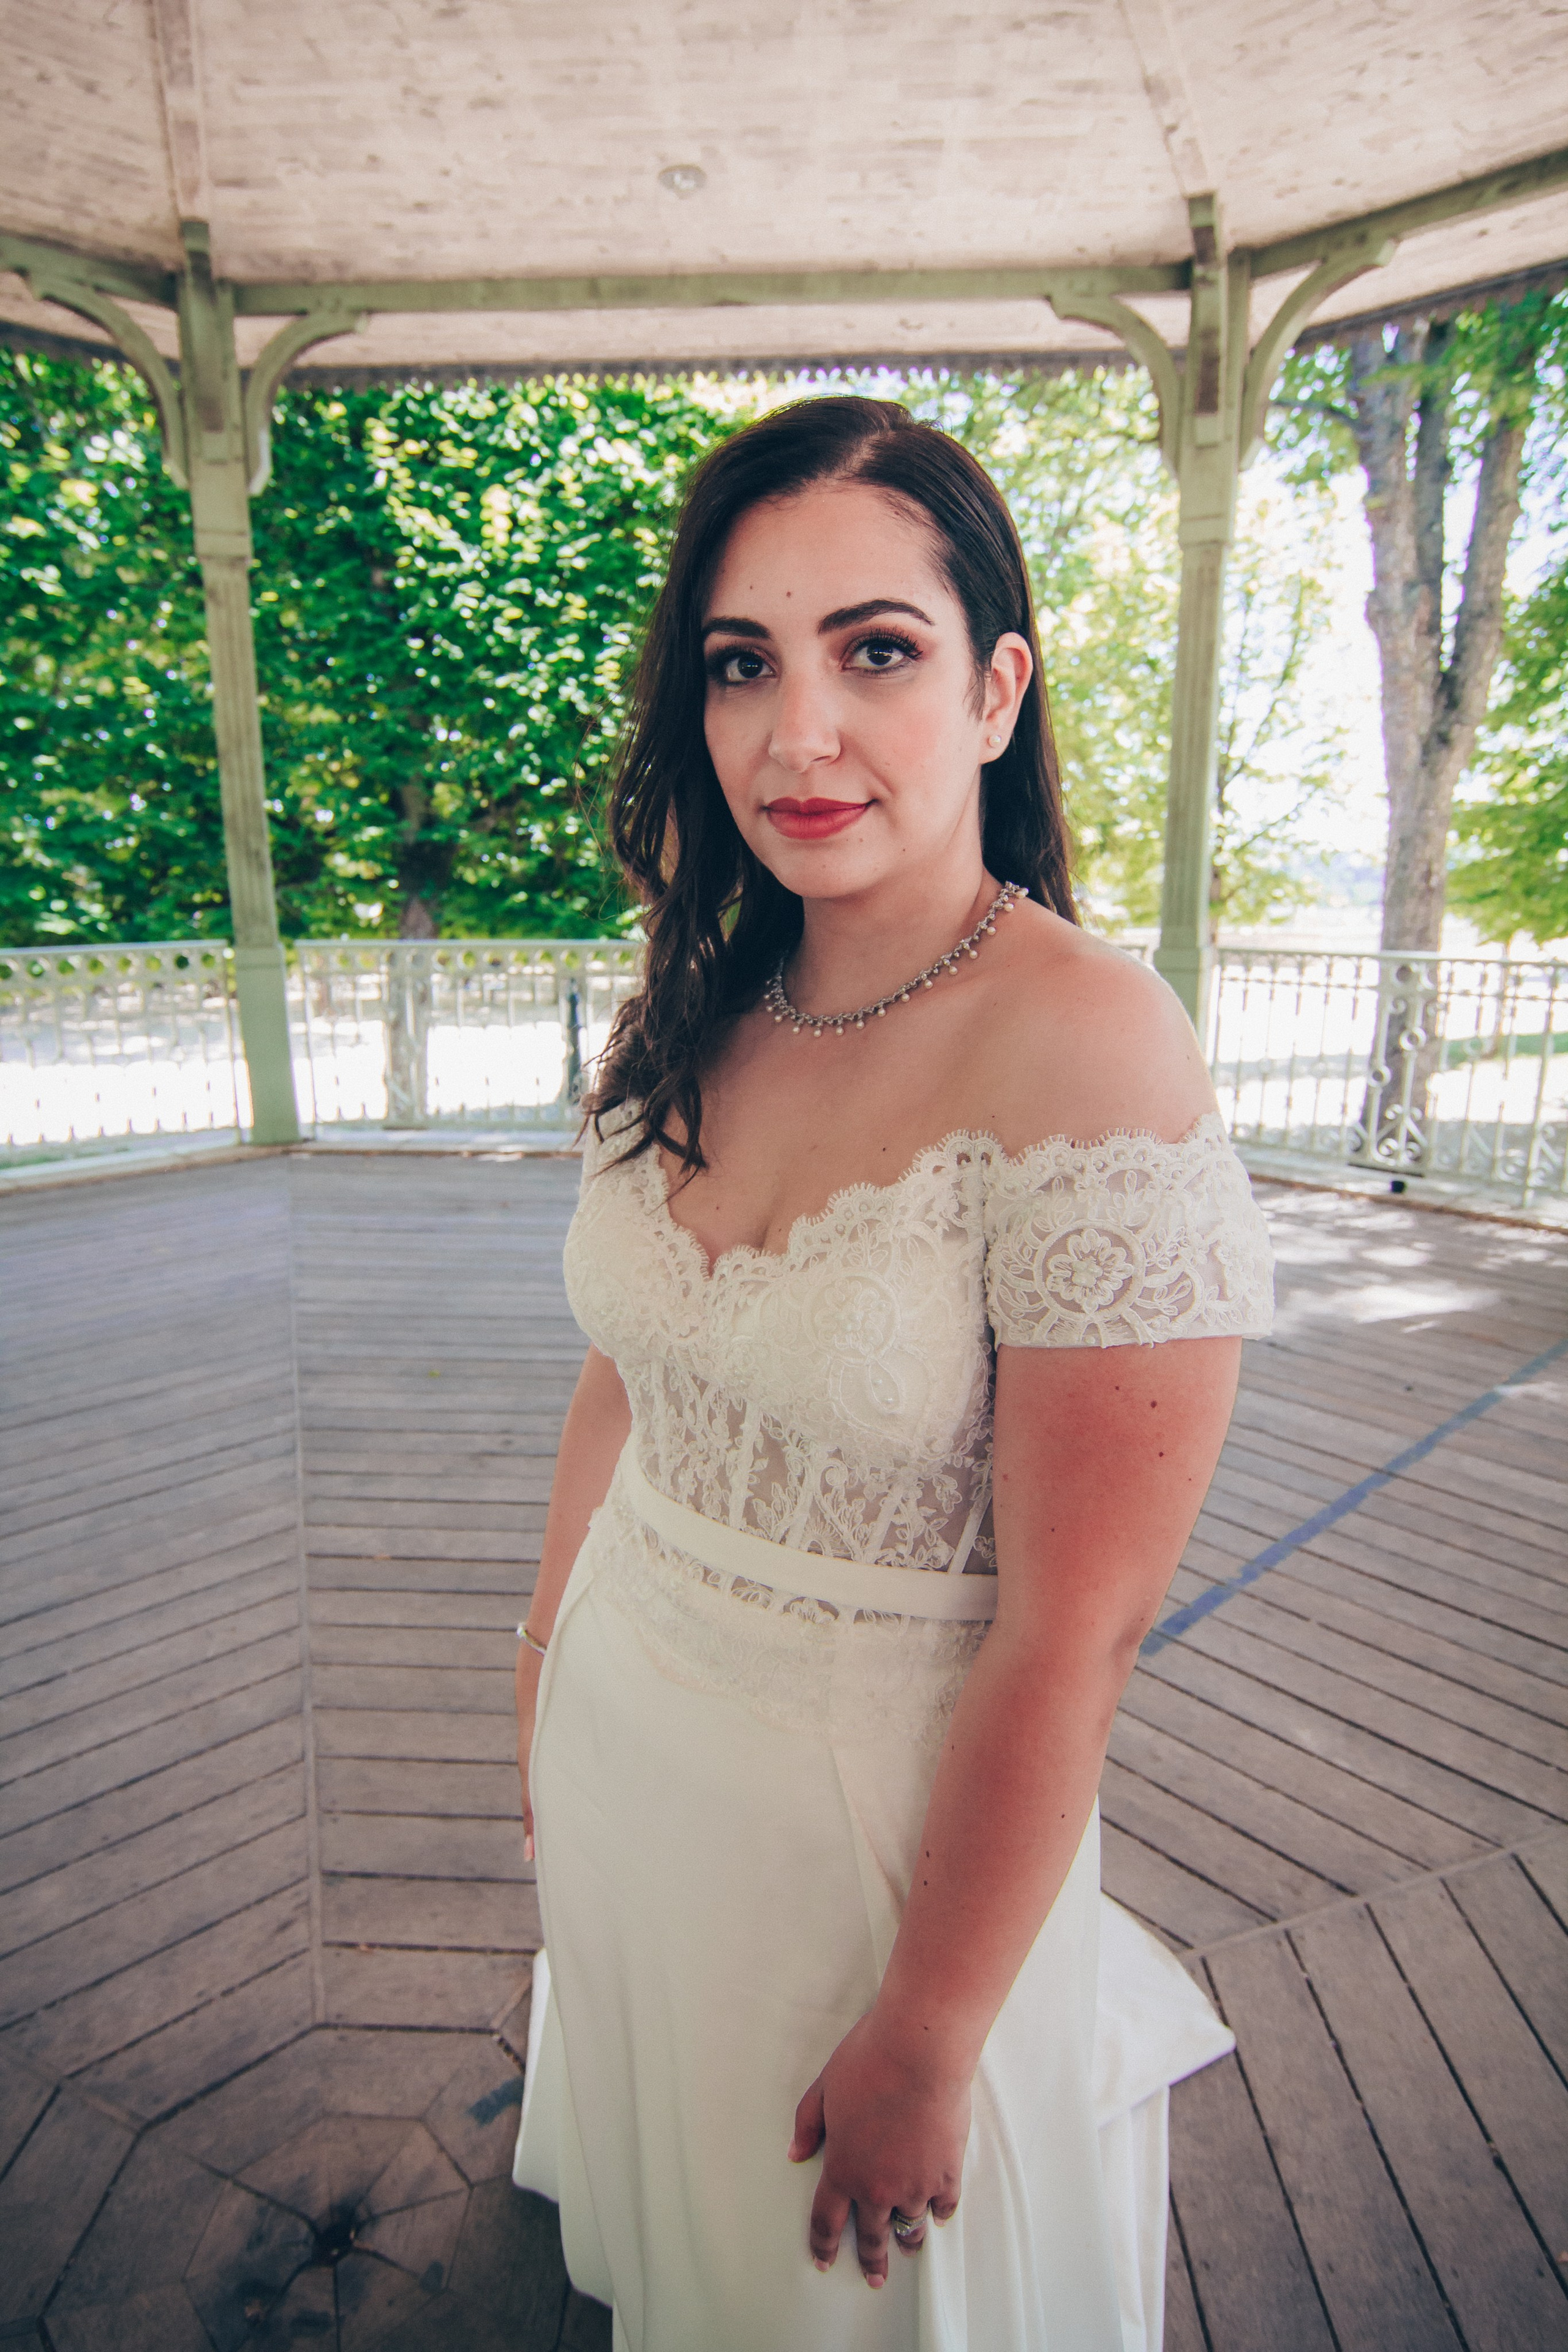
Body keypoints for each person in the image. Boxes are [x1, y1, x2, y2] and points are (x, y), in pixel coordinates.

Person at [511, 395, 1273, 2352]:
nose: (800, 735)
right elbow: (635, 1370)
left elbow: (1077, 1627)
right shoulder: (704, 987)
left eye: (878, 652)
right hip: (627, 1759)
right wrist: (538, 1685)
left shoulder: (1088, 1050)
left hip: (863, 1872)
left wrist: (932, 2035)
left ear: (999, 687)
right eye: (741, 666)